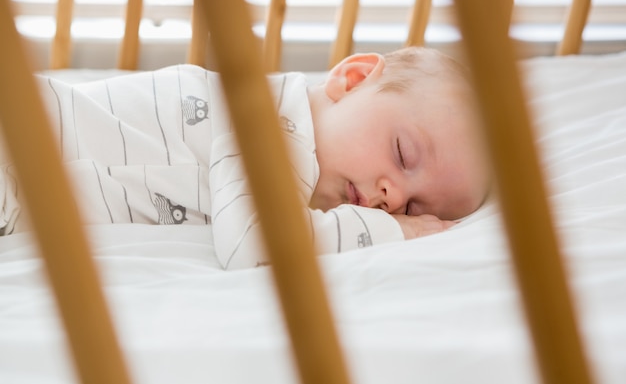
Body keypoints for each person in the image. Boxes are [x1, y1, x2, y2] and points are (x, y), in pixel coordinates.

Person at [0, 46, 489, 269]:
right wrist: (395, 230)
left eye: (413, 209)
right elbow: (253, 244)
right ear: (353, 79)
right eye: (402, 154)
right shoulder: (269, 123)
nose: (392, 196)